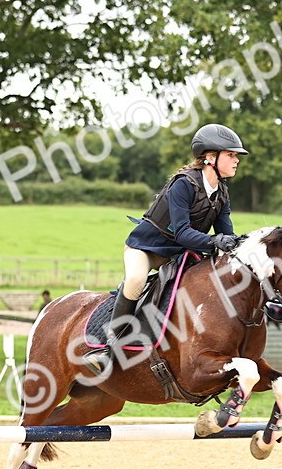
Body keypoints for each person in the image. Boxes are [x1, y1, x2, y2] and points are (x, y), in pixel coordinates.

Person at [83, 123, 247, 374]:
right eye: (231, 155)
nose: (236, 160)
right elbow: (181, 231)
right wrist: (214, 241)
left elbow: (226, 232)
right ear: (210, 157)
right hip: (147, 249)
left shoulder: (221, 192)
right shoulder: (183, 184)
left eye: (235, 156)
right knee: (136, 280)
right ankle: (107, 348)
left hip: (180, 254)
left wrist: (238, 245)